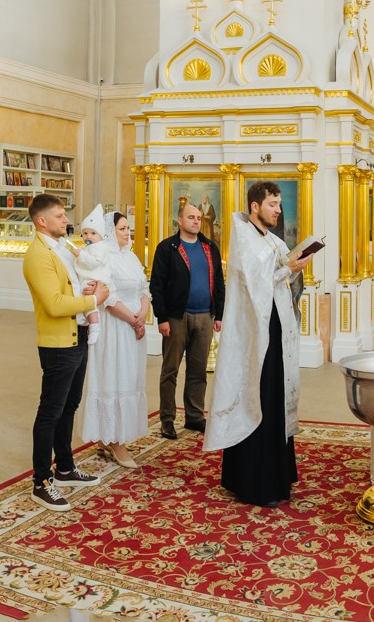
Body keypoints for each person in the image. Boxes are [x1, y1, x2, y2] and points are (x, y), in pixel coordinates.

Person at [206, 182, 310, 507]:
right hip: (254, 335)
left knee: (274, 399)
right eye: (272, 204)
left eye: (279, 204)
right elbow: (256, 283)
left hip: (275, 330)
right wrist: (287, 269)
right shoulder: (244, 238)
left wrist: (293, 268)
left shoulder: (272, 240)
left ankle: (277, 475)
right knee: (258, 397)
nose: (278, 210)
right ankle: (254, 483)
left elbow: (280, 279)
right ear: (255, 206)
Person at [23, 193, 110, 510]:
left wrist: (87, 290)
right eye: (59, 215)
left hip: (79, 334)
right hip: (58, 342)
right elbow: (54, 304)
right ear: (41, 220)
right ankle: (41, 481)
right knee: (50, 411)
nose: (66, 219)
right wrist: (94, 300)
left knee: (70, 404)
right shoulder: (38, 255)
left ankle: (64, 467)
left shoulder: (64, 248)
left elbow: (71, 287)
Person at [82, 210, 150, 468]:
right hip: (115, 326)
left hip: (134, 324)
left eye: (128, 228)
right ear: (110, 232)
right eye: (122, 228)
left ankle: (109, 436)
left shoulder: (131, 256)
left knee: (130, 377)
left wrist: (143, 314)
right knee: (114, 377)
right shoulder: (103, 258)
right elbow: (107, 297)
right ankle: (114, 440)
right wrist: (133, 319)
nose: (127, 232)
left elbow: (144, 287)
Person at [151, 200, 223, 441]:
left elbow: (219, 282)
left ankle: (194, 415)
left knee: (198, 370)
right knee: (170, 370)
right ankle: (167, 420)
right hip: (176, 318)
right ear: (180, 220)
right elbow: (157, 285)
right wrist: (162, 317)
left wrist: (219, 314)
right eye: (191, 217)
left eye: (198, 217)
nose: (196, 221)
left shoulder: (209, 247)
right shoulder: (167, 248)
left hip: (205, 316)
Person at [72, 206, 112, 346]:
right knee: (86, 300)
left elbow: (93, 262)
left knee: (89, 301)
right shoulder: (90, 247)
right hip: (88, 278)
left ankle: (94, 325)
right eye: (85, 233)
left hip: (94, 278)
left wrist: (80, 255)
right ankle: (89, 321)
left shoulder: (99, 247)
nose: (88, 236)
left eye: (93, 233)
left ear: (101, 235)